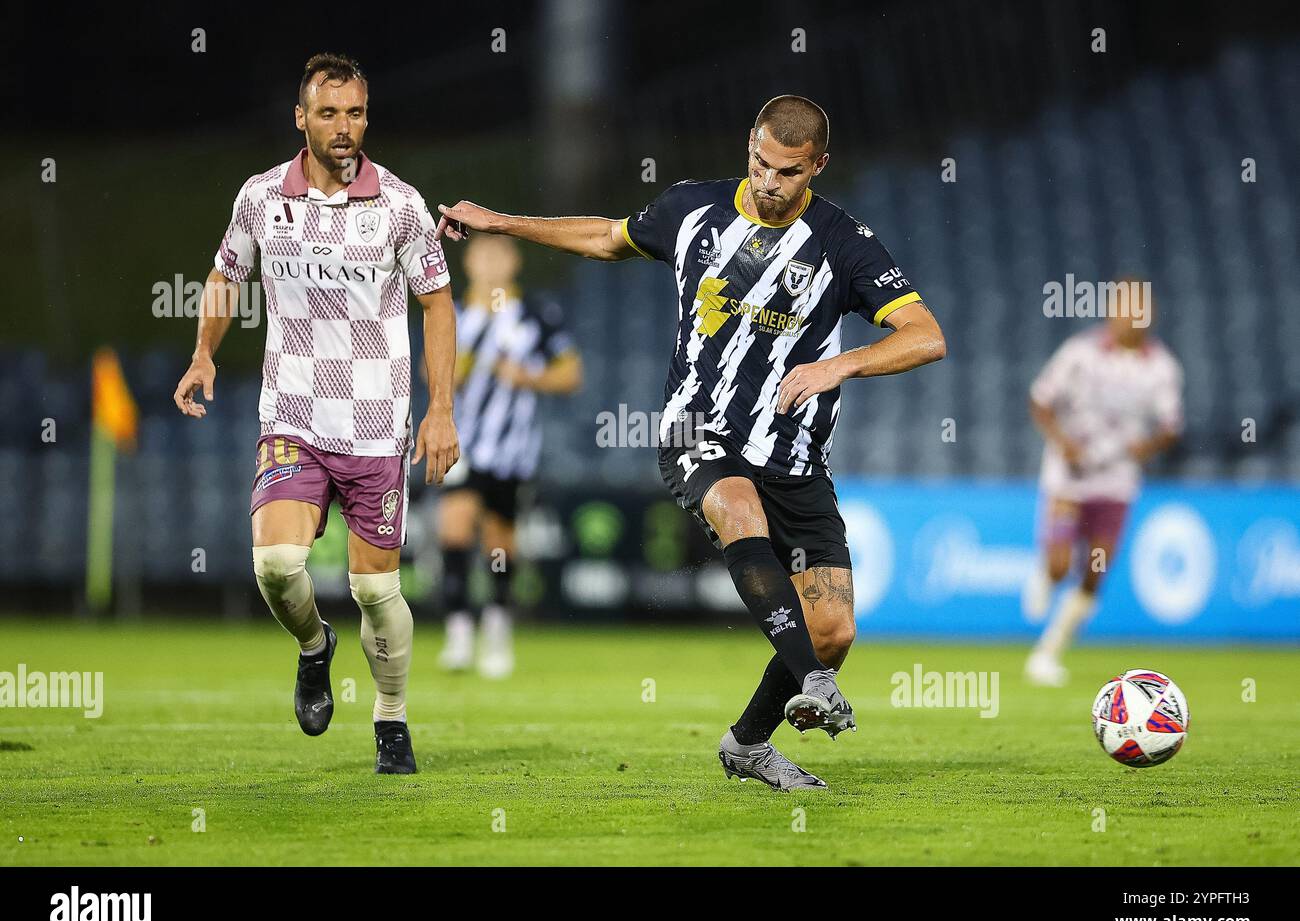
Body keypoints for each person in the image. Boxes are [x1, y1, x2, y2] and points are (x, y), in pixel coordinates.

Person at [434, 95, 946, 790]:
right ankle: (816, 684)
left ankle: (747, 745)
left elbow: (927, 336)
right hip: (694, 428)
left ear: (818, 166)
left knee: (833, 628)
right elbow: (605, 238)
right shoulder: (693, 209)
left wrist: (838, 363)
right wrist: (502, 222)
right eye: (760, 163)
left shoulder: (843, 244)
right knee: (738, 509)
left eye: (788, 172)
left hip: (795, 458)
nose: (769, 182)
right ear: (748, 146)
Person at [172, 53, 460, 773]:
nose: (343, 127)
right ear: (300, 118)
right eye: (328, 113)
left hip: (375, 424)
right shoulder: (260, 197)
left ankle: (390, 718)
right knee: (275, 565)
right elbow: (224, 273)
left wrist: (441, 411)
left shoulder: (400, 205)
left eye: (355, 113)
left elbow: (437, 303)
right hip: (292, 415)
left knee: (375, 589)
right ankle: (313, 645)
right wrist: (204, 352)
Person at [433, 234, 582, 678]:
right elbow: (428, 373)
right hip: (460, 443)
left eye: (500, 254)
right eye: (483, 255)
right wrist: (450, 370)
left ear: (513, 261)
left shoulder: (536, 314)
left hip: (512, 448)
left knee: (499, 540)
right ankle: (459, 631)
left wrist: (527, 376)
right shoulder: (452, 313)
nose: (492, 263)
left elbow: (571, 374)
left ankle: (496, 628)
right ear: (469, 262)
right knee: (454, 528)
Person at [1022, 279, 1183, 686]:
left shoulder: (1161, 366)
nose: (1130, 317)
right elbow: (1041, 400)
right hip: (1069, 477)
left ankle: (1048, 652)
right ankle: (1048, 572)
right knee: (1061, 565)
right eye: (1123, 307)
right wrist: (1063, 443)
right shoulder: (1081, 353)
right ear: (1112, 311)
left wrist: (1141, 448)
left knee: (1096, 570)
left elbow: (1170, 426)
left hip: (1116, 480)